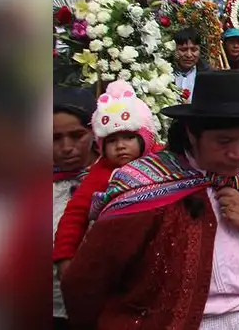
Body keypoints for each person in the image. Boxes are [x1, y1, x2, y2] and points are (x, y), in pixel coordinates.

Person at [61, 71, 239, 329]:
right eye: (223, 141)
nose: (238, 153)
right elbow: (84, 284)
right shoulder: (144, 188)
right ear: (192, 134)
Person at [53, 81, 162, 276]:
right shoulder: (100, 173)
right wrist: (64, 258)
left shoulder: (163, 160)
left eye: (128, 137)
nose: (120, 146)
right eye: (111, 140)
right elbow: (74, 216)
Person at [52, 86, 97, 329]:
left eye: (77, 135)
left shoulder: (114, 180)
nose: (67, 147)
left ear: (94, 133)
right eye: (55, 138)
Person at [172, 27, 210, 100]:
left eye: (194, 50)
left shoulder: (208, 75)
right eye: (183, 50)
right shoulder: (165, 73)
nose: (189, 55)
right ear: (174, 49)